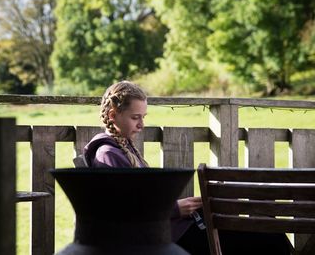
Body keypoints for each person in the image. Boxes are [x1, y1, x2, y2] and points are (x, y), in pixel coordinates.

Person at [82, 80, 291, 255]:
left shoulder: (123, 148)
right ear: (112, 115)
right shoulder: (109, 155)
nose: (141, 124)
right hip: (169, 240)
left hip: (178, 230)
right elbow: (123, 210)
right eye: (135, 117)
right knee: (270, 237)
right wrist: (176, 209)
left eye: (143, 117)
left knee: (268, 230)